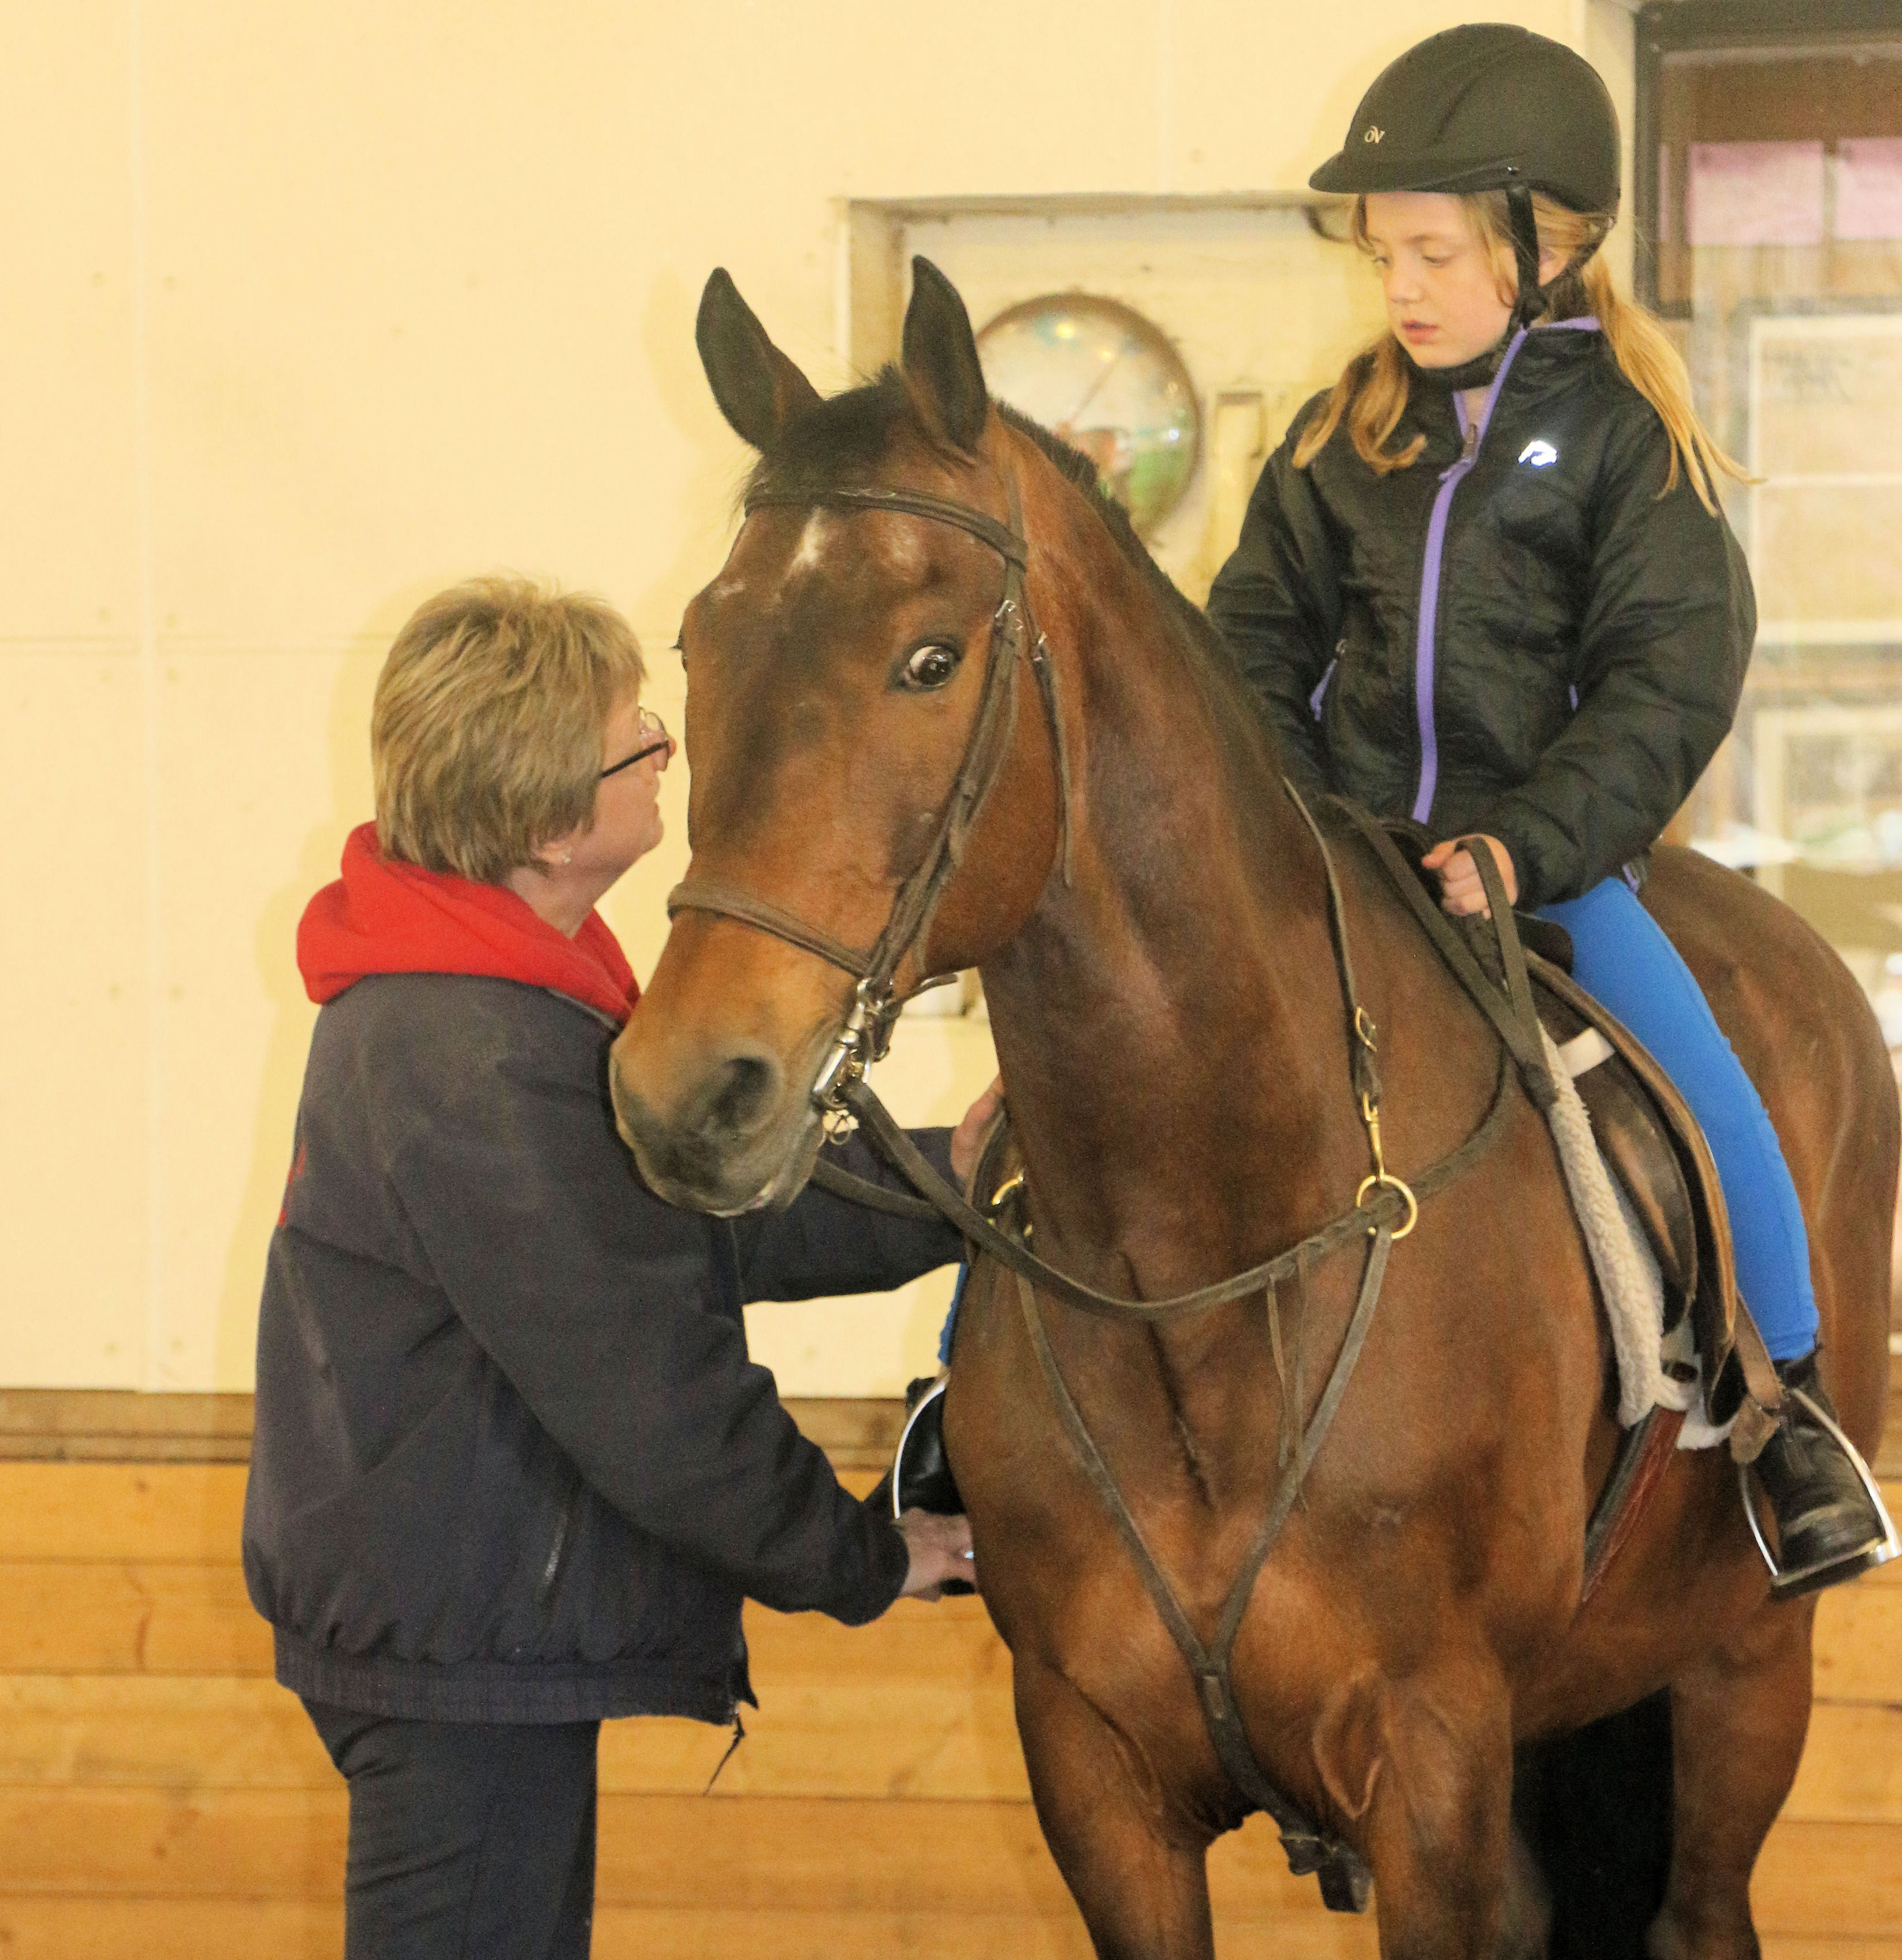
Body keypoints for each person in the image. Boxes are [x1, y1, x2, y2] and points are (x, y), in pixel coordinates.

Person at [1207, 23, 1892, 1596]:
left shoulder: (1630, 443)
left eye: (1435, 254)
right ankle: (962, 1394)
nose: (1401, 288)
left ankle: (1788, 1415)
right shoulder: (1335, 438)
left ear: (1547, 243)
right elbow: (1249, 645)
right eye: (1384, 254)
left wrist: (1524, 840)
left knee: (1712, 1098)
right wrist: (1302, 826)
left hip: (1546, 871)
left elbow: (1664, 681)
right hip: (1342, 865)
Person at [243, 576, 989, 1959]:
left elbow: (698, 1218)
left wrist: (959, 1175)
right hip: (464, 1646)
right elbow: (658, 1393)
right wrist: (866, 1555)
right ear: (546, 820)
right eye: (634, 732)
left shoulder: (511, 995)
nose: (665, 747)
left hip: (463, 1628)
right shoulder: (476, 1053)